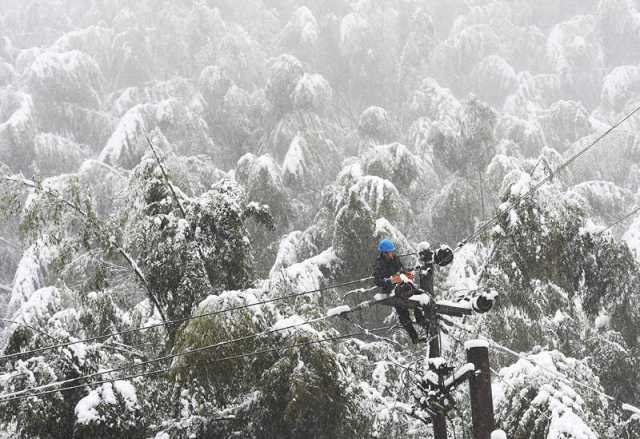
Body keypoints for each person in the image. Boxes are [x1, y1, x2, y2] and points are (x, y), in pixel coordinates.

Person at [373, 239, 425, 344]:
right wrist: (392, 280)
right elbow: (377, 281)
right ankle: (414, 337)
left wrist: (409, 273)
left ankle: (423, 322)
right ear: (384, 253)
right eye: (390, 252)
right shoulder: (379, 264)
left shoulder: (395, 259)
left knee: (419, 298)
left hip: (402, 285)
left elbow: (402, 271)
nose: (392, 254)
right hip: (391, 289)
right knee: (403, 314)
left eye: (392, 252)